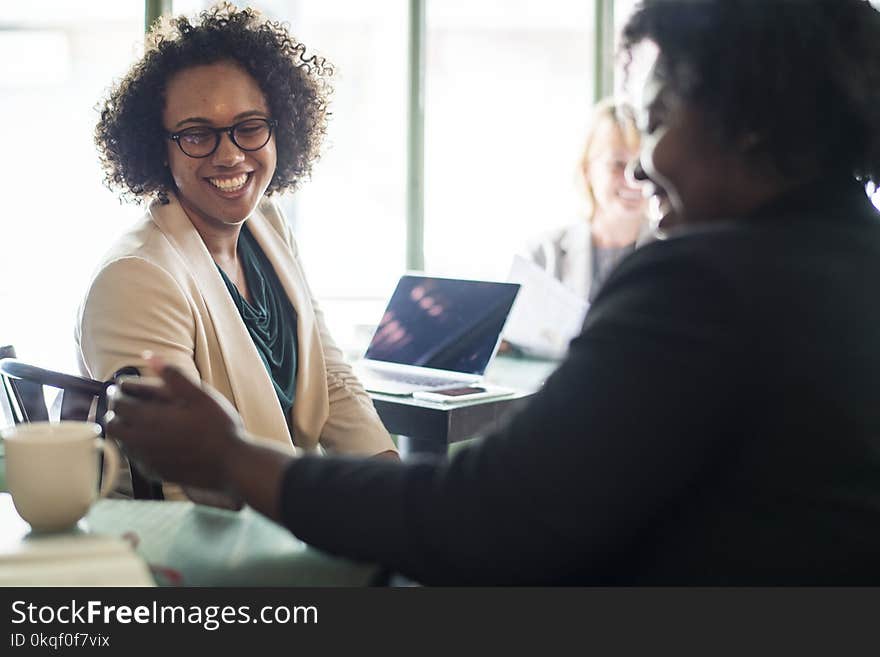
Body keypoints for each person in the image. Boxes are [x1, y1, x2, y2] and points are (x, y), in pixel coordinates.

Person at [108, 0, 880, 584]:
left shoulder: (705, 285)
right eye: (196, 134)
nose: (641, 166)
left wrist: (237, 457)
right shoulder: (851, 257)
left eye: (657, 121)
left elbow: (488, 515)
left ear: (745, 123)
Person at [77, 4, 396, 503]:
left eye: (249, 126)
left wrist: (394, 488)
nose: (229, 155)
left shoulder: (265, 223)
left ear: (281, 126)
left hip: (284, 505)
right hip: (196, 540)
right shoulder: (136, 277)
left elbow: (330, 378)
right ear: (160, 148)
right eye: (197, 134)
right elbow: (180, 474)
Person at [522, 98, 648, 303]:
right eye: (617, 164)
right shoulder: (542, 256)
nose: (633, 180)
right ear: (586, 169)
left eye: (641, 165)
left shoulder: (673, 253)